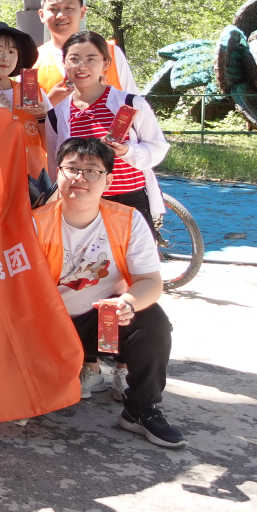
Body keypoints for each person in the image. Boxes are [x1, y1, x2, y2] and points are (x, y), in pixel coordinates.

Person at [33, 138, 184, 449]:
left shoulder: (128, 220)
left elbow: (150, 281)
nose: (80, 177)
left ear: (109, 180)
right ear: (58, 173)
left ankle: (139, 409)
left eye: (92, 171)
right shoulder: (34, 224)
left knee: (152, 323)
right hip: (49, 327)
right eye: (72, 169)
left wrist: (128, 303)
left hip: (104, 325)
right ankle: (51, 380)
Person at [45, 31, 169, 234]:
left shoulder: (130, 104)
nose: (82, 66)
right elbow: (56, 167)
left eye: (91, 59)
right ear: (65, 64)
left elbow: (157, 147)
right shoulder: (56, 116)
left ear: (105, 64)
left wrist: (127, 151)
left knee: (135, 254)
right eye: (74, 59)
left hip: (130, 200)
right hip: (82, 206)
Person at [34, 0, 138, 104]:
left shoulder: (109, 52)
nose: (61, 15)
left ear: (82, 12)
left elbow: (133, 104)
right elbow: (24, 113)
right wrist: (50, 102)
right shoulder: (32, 60)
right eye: (53, 9)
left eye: (68, 8)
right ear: (41, 15)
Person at [0, 20, 50, 184]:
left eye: (12, 51)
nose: (5, 58)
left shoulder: (34, 93)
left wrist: (42, 117)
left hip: (35, 185)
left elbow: (53, 145)